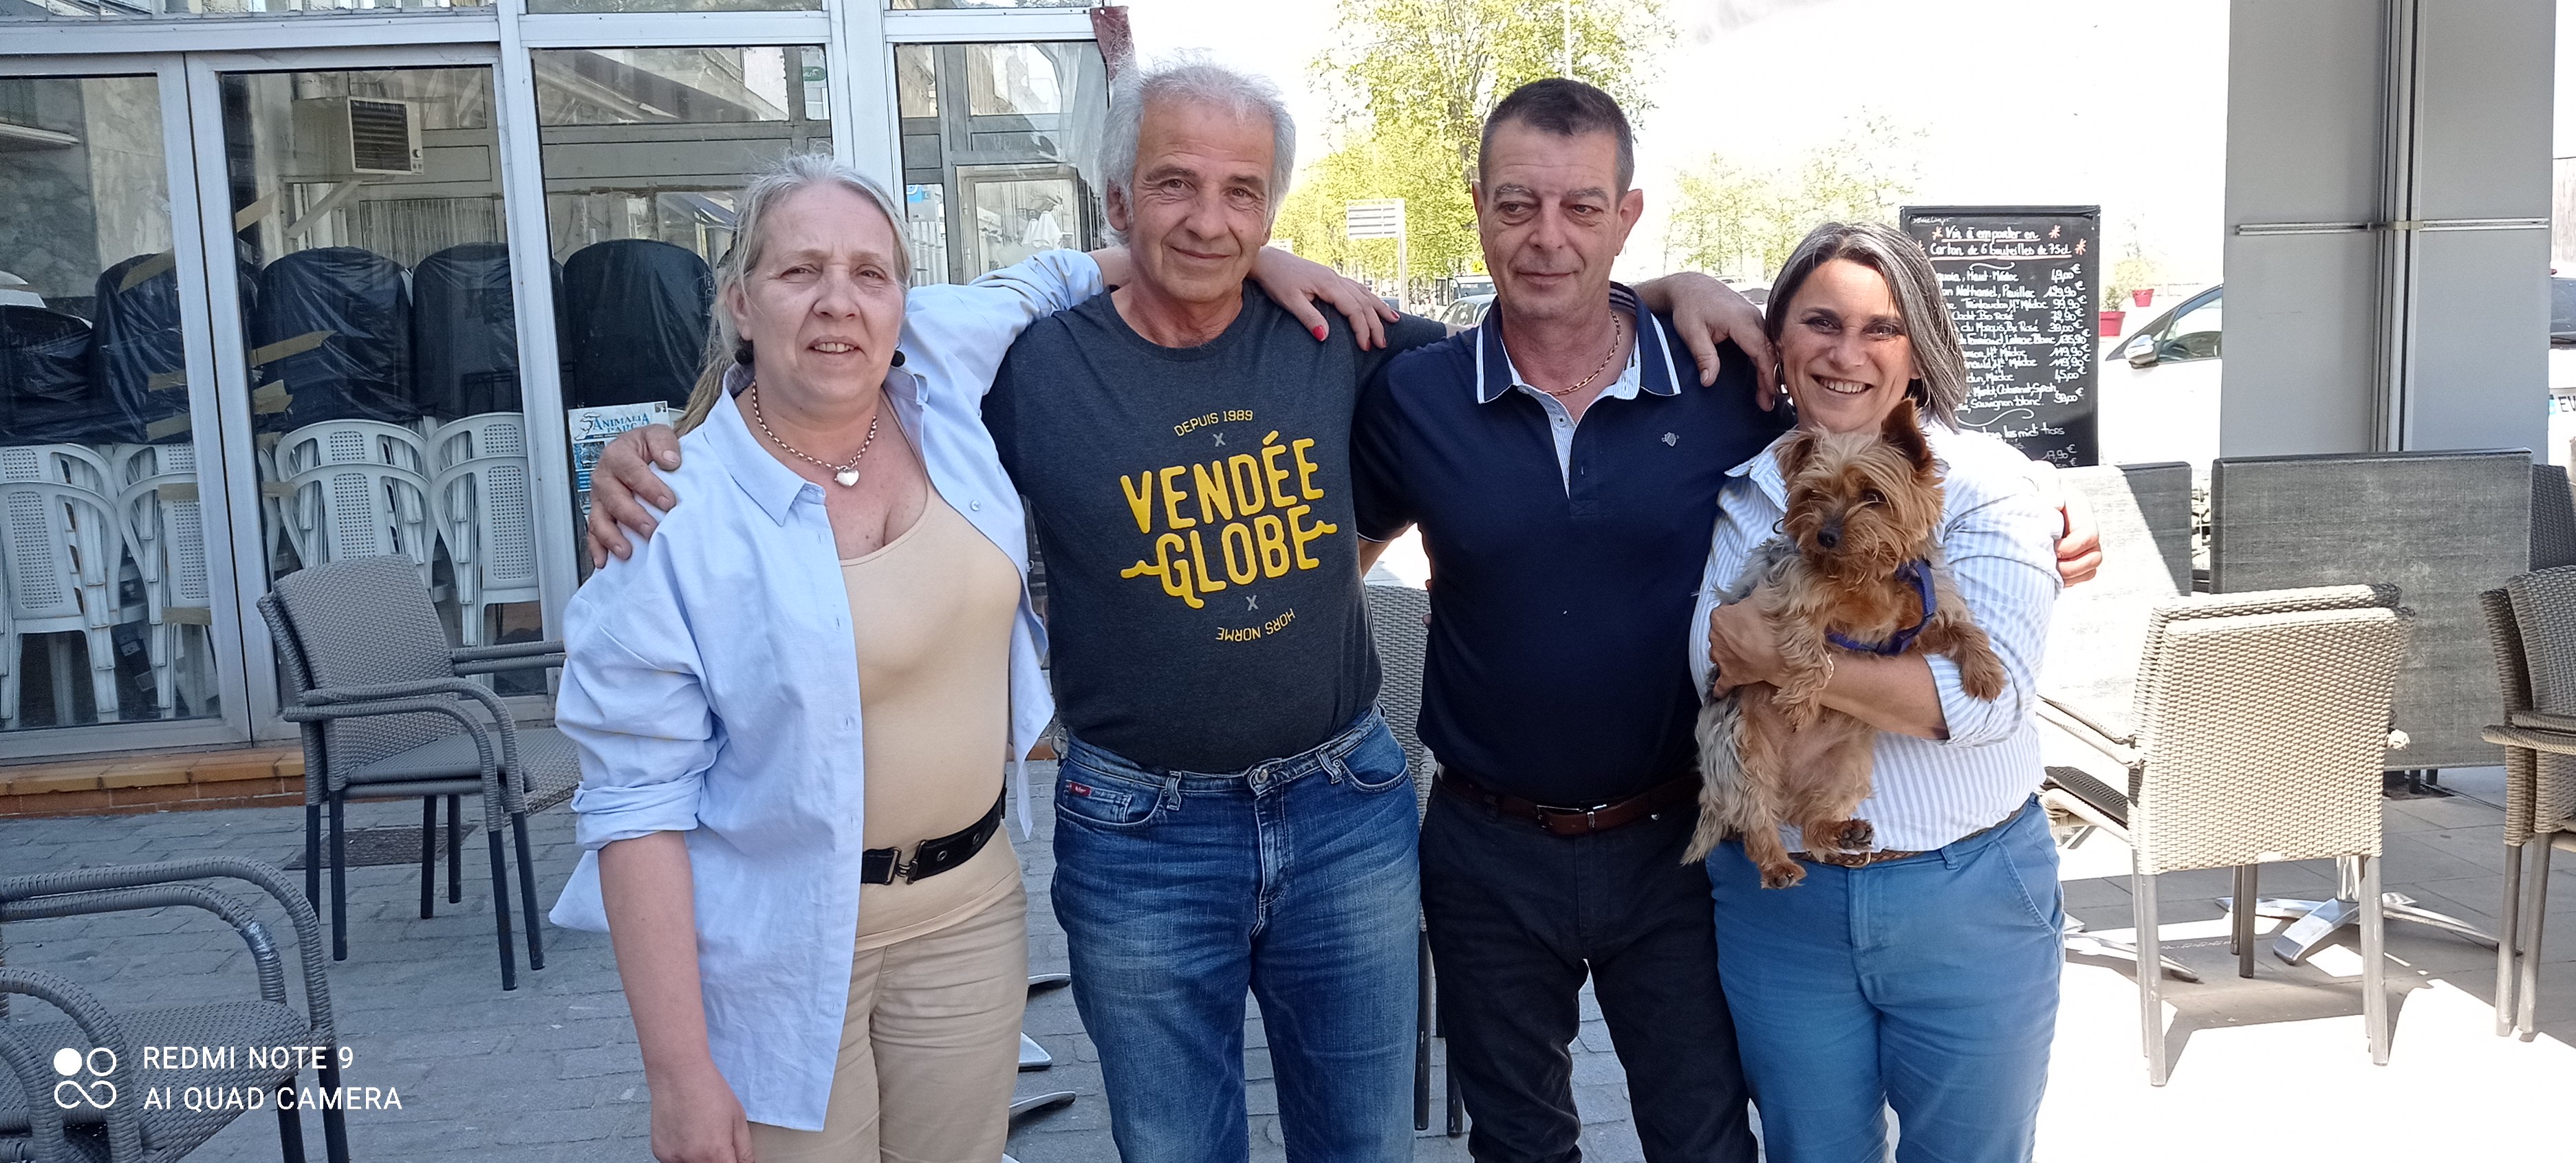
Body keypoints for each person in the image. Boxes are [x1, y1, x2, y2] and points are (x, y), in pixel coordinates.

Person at [578, 58, 1766, 1163]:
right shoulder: (1024, 370)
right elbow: (834, 372)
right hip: (1137, 834)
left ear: (1271, 213)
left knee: (1364, 1143)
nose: (1208, 219)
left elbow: (1535, 327)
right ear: (1116, 202)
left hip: (1344, 813)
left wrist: (1669, 291)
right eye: (1174, 185)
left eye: (1242, 193)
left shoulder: (1342, 342)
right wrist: (672, 443)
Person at [548, 153, 1378, 1163]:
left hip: (971, 915)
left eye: (870, 273)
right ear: (739, 302)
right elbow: (635, 807)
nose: (838, 303)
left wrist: (1256, 262)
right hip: (779, 940)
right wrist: (679, 1074)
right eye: (800, 271)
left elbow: (1069, 272)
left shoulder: (936, 372)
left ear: (905, 297)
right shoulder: (669, 516)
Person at [1350, 80, 2101, 1163]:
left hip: (1678, 841)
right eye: (1518, 204)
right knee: (1520, 1143)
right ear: (1478, 207)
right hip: (1492, 844)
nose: (1549, 236)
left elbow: (1900, 437)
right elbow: (1337, 551)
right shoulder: (1425, 397)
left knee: (1705, 1141)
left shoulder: (1721, 393)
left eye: (1582, 207)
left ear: (1628, 215)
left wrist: (2037, 500)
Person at [1691, 221, 2067, 1163]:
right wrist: (1671, 286)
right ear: (1777, 336)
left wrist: (1788, 661)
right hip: (1783, 908)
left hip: (1966, 896)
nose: (1846, 354)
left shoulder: (1988, 486)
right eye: (1820, 322)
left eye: (1882, 328)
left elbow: (1982, 704)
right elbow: (1710, 665)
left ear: (1920, 345)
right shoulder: (1733, 483)